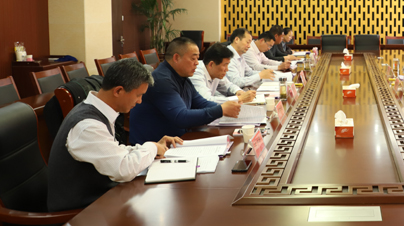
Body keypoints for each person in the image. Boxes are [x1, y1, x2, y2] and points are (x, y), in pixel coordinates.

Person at [47, 59, 183, 212]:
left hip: (100, 200)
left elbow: (113, 151)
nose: (140, 101)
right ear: (118, 91)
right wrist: (151, 147)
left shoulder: (97, 110)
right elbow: (123, 170)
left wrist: (154, 147)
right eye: (138, 95)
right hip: (81, 214)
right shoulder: (88, 126)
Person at [129, 37, 242, 144]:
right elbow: (181, 117)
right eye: (193, 58)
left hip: (177, 140)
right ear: (176, 58)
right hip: (154, 147)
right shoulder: (162, 80)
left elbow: (200, 103)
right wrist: (220, 110)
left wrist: (225, 107)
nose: (197, 63)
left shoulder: (183, 77)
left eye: (197, 58)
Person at [191, 43, 257, 103]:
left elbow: (228, 86)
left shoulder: (215, 72)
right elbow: (206, 100)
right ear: (211, 64)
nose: (227, 69)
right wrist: (239, 98)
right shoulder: (196, 72)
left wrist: (238, 92)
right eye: (225, 65)